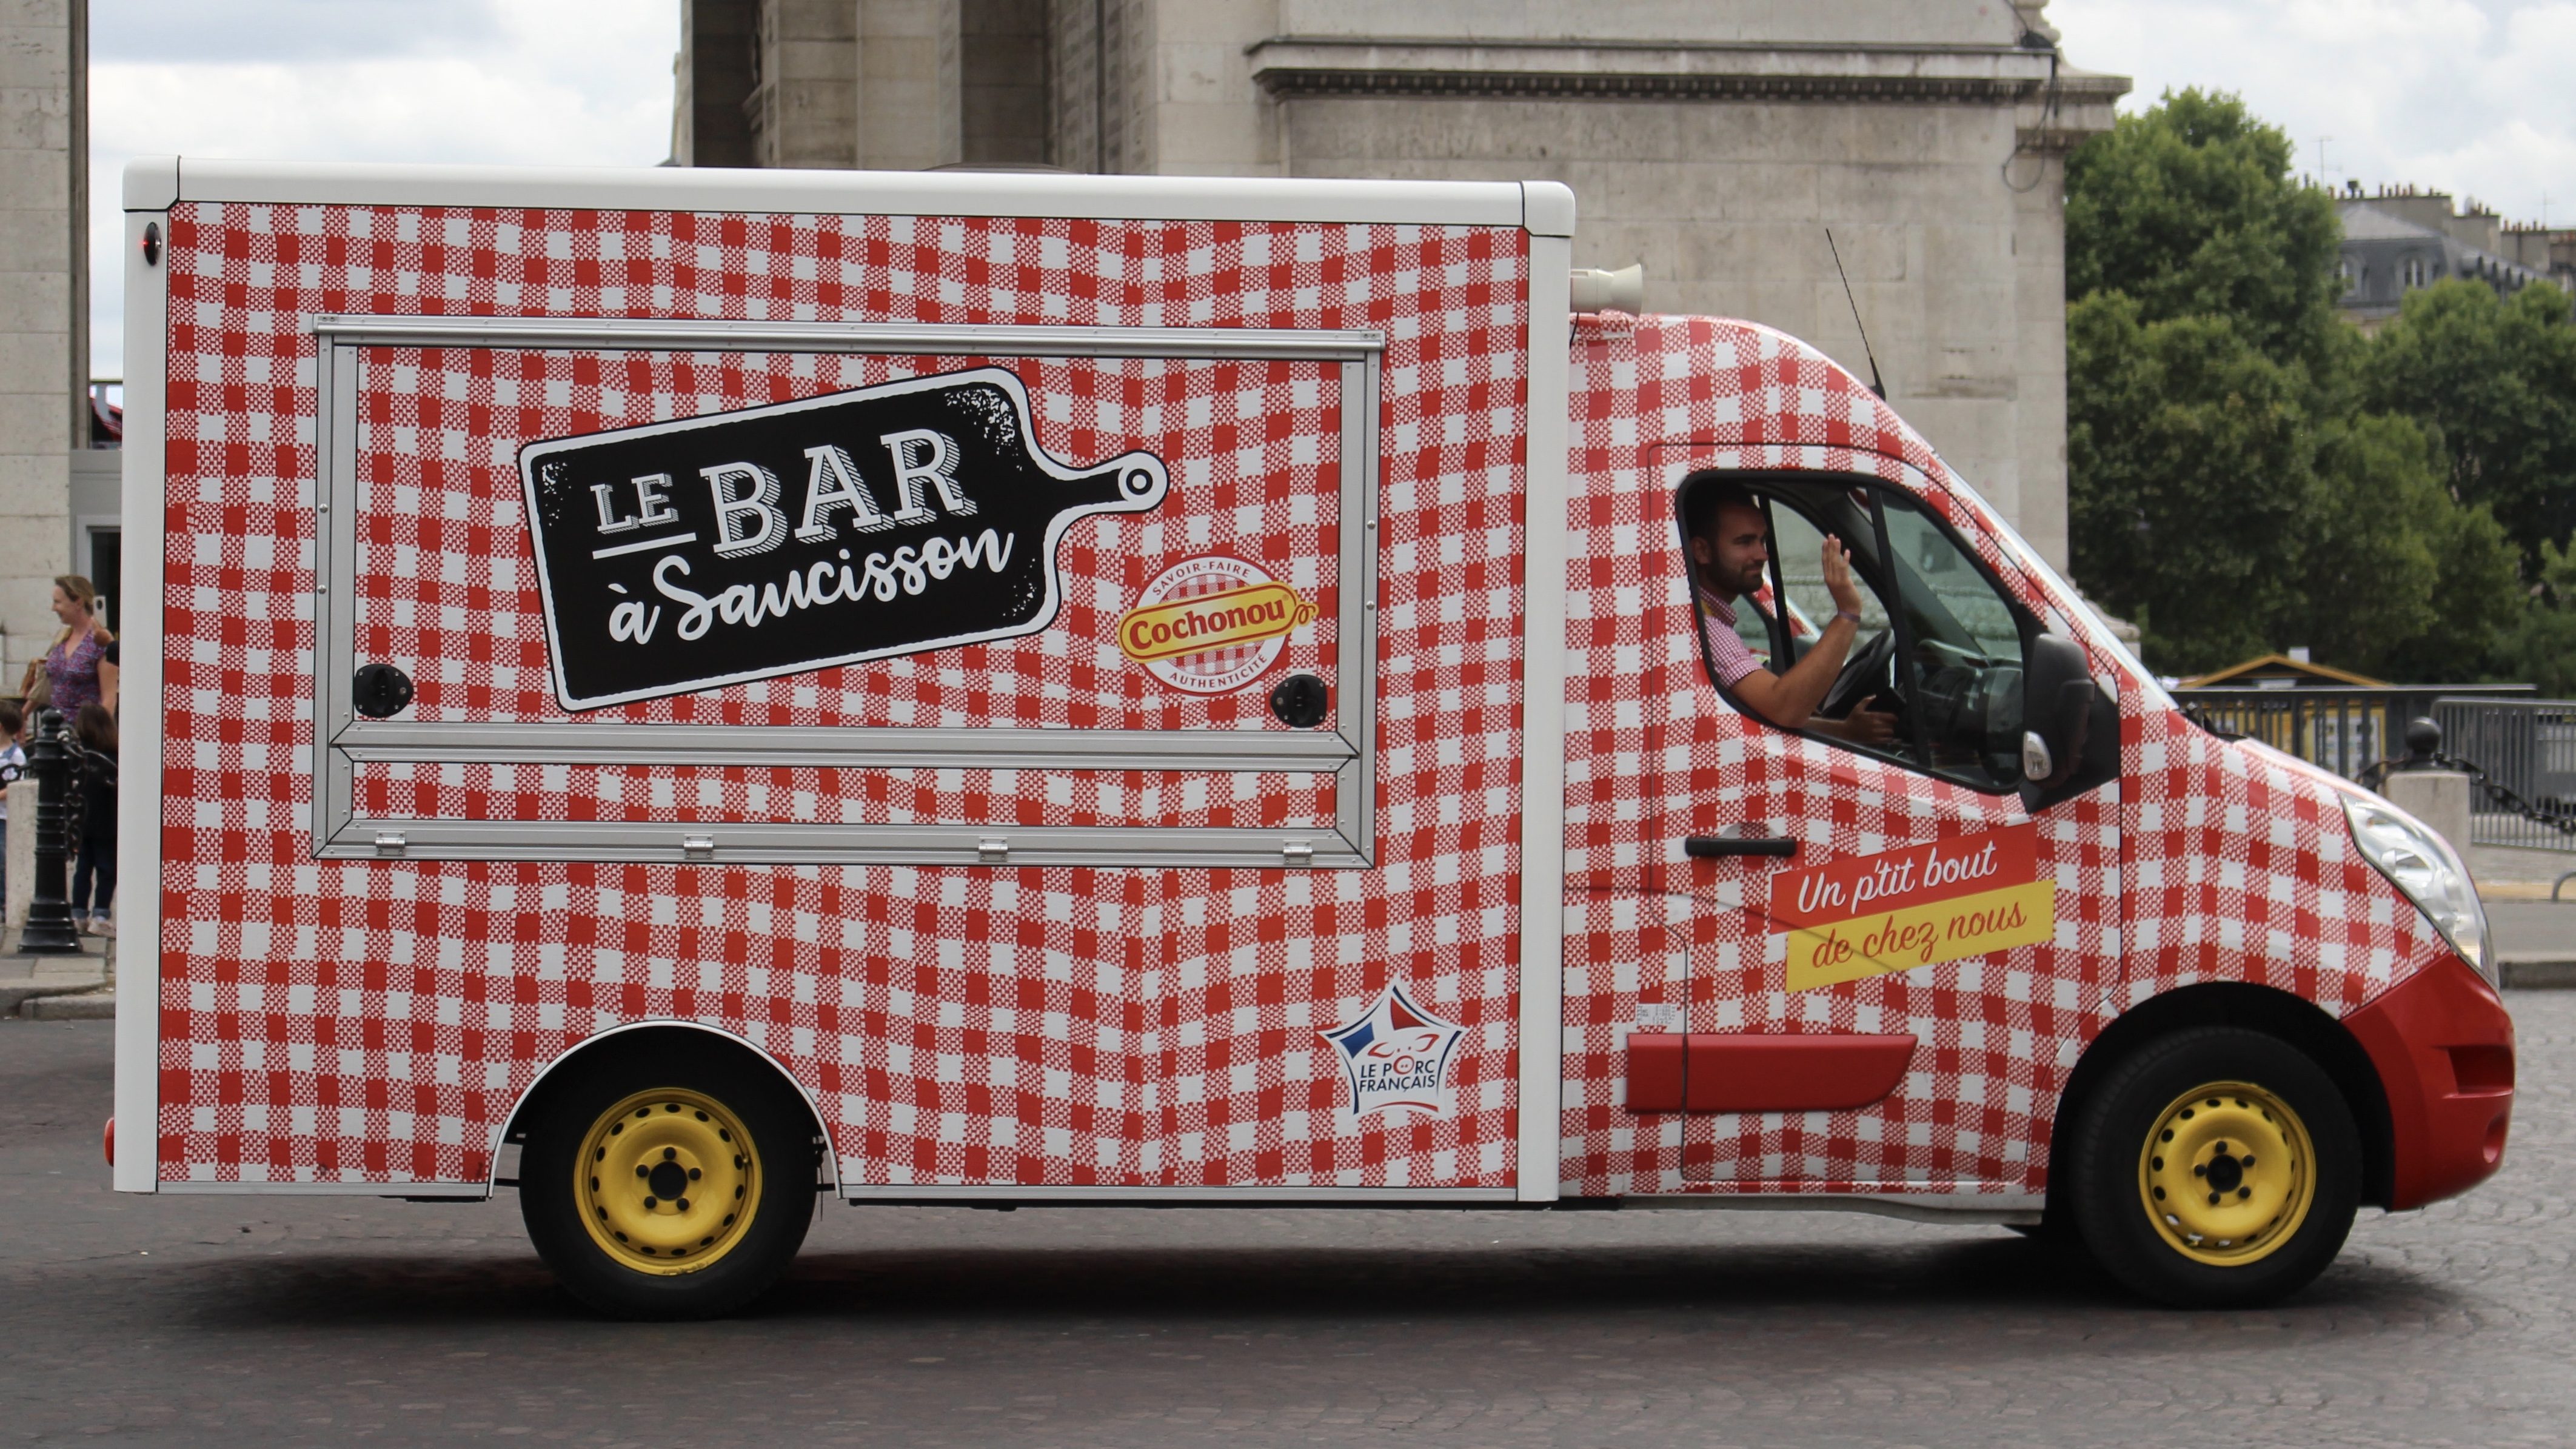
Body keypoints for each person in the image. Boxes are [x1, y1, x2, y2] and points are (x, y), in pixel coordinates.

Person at [1687, 486, 1898, 745]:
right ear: (1702, 551)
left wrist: (1846, 731)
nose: (1762, 555)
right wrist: (1848, 612)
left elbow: (1760, 719)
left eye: (1762, 540)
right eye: (1744, 542)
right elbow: (1783, 709)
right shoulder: (1706, 629)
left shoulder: (1702, 617)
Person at [30, 575, 116, 718]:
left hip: (85, 731)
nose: (53, 608)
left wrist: (99, 735)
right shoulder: (63, 637)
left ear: (78, 602)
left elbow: (109, 698)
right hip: (55, 729)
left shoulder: (100, 641)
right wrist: (24, 714)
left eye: (57, 602)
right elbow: (47, 684)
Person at [69, 703, 116, 937]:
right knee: (107, 869)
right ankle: (100, 915)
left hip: (82, 820)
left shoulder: (77, 755)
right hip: (107, 821)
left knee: (83, 868)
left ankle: (78, 914)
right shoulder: (112, 754)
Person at [0, 701, 22, 919]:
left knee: (2, 857)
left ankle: (4, 901)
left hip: (4, 815)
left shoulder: (15, 756)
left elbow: (15, 786)